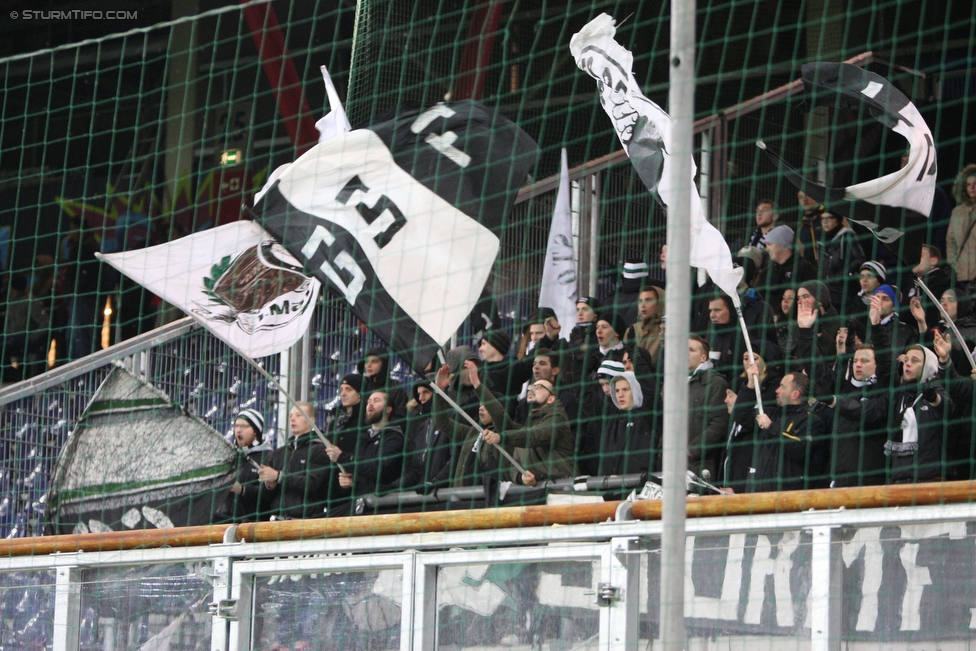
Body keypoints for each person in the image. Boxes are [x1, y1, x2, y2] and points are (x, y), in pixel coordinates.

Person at [481, 378, 575, 487]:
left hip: (563, 488)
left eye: (538, 387)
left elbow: (535, 436)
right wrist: (521, 477)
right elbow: (514, 466)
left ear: (551, 399)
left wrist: (502, 437)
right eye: (530, 387)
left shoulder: (558, 418)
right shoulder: (527, 426)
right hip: (538, 493)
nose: (531, 390)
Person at [326, 390, 404, 515]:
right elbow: (360, 470)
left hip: (379, 507)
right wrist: (349, 483)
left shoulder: (394, 439)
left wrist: (343, 457)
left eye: (376, 401)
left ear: (389, 409)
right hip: (358, 504)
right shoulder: (363, 438)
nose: (370, 404)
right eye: (368, 402)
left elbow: (378, 469)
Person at [821, 345, 889, 487]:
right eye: (855, 361)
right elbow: (818, 371)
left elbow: (859, 411)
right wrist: (805, 332)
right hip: (840, 478)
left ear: (877, 364)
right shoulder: (846, 389)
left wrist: (833, 401)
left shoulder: (884, 391)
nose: (858, 364)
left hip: (872, 481)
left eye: (864, 361)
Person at [885, 344, 951, 484]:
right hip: (899, 481)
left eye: (915, 360)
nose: (908, 364)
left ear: (928, 366)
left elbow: (947, 408)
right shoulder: (898, 396)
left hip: (929, 481)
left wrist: (934, 399)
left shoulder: (936, 391)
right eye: (906, 360)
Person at [431, 362, 501, 489]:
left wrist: (476, 382)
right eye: (480, 404)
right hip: (462, 500)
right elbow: (443, 423)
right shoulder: (472, 433)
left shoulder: (506, 435)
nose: (481, 408)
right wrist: (439, 392)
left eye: (486, 405)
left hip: (487, 502)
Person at [754, 372, 825, 492]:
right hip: (761, 493)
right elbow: (742, 414)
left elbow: (800, 449)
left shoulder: (811, 421)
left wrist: (772, 427)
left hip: (788, 496)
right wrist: (750, 384)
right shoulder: (774, 414)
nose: (777, 390)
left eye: (782, 386)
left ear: (795, 394)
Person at [259, 402, 331, 519]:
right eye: (291, 415)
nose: (293, 418)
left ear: (311, 420)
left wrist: (279, 477)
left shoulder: (321, 450)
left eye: (299, 415)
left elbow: (312, 484)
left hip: (306, 521)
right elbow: (265, 496)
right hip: (277, 520)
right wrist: (269, 485)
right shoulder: (278, 453)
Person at [593, 372, 657, 478]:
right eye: (617, 390)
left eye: (625, 390)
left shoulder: (647, 418)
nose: (620, 394)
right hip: (613, 487)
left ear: (635, 390)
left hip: (637, 487)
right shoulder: (612, 421)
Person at [398, 377, 453, 493]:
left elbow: (455, 459)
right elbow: (415, 468)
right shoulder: (422, 426)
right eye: (418, 394)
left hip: (444, 493)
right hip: (424, 493)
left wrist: (435, 482)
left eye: (426, 392)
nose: (421, 398)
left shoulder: (453, 420)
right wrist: (394, 486)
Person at [686, 335, 730, 479]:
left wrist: (692, 450)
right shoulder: (672, 384)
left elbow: (719, 423)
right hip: (672, 464)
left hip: (701, 466)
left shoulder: (715, 383)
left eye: (691, 350)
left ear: (704, 357)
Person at [321, 374, 365, 513]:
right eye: (341, 389)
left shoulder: (366, 418)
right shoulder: (334, 417)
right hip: (332, 480)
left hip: (352, 479)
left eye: (348, 389)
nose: (343, 393)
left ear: (360, 393)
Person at [219, 409, 273, 522]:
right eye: (236, 426)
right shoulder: (230, 457)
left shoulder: (268, 457)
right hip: (226, 520)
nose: (238, 430)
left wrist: (243, 490)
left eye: (244, 427)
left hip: (254, 523)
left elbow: (270, 493)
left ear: (256, 431)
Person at [816, 211, 865, 314]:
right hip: (828, 291)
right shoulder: (821, 239)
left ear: (837, 220)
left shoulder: (847, 236)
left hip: (845, 291)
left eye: (829, 218)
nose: (825, 222)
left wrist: (842, 274)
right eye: (822, 219)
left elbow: (860, 258)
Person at [760, 225, 817, 309]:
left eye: (770, 244)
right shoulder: (767, 271)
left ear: (782, 244)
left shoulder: (804, 268)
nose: (767, 249)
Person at [357, 347, 408, 424]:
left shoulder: (395, 389)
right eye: (366, 362)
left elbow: (400, 418)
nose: (369, 365)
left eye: (374, 361)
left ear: (384, 364)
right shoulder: (362, 386)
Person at [946, 164, 976, 292]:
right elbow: (950, 240)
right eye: (968, 184)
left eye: (975, 183)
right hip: (961, 275)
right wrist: (953, 264)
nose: (972, 187)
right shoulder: (957, 212)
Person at [624, 284, 665, 367]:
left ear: (660, 303)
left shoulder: (666, 330)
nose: (642, 305)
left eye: (648, 300)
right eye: (640, 301)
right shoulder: (632, 330)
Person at [796, 190, 825, 265]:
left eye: (808, 195)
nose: (805, 199)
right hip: (810, 269)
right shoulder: (800, 225)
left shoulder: (830, 216)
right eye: (801, 197)